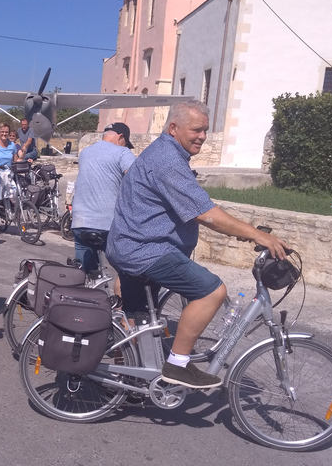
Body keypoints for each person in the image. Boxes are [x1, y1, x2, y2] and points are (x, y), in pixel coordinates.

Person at [106, 100, 288, 389]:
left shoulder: (168, 155)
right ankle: (178, 365)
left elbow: (192, 210)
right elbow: (207, 214)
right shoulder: (167, 161)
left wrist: (242, 231)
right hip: (145, 249)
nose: (202, 136)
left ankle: (127, 378)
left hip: (132, 244)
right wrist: (257, 234)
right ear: (174, 128)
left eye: (205, 130)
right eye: (196, 129)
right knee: (211, 291)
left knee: (139, 320)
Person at [71, 122, 135, 283]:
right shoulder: (123, 152)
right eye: (126, 142)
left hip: (80, 222)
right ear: (121, 137)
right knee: (128, 271)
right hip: (108, 224)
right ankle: (123, 306)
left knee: (85, 276)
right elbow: (136, 182)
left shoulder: (85, 152)